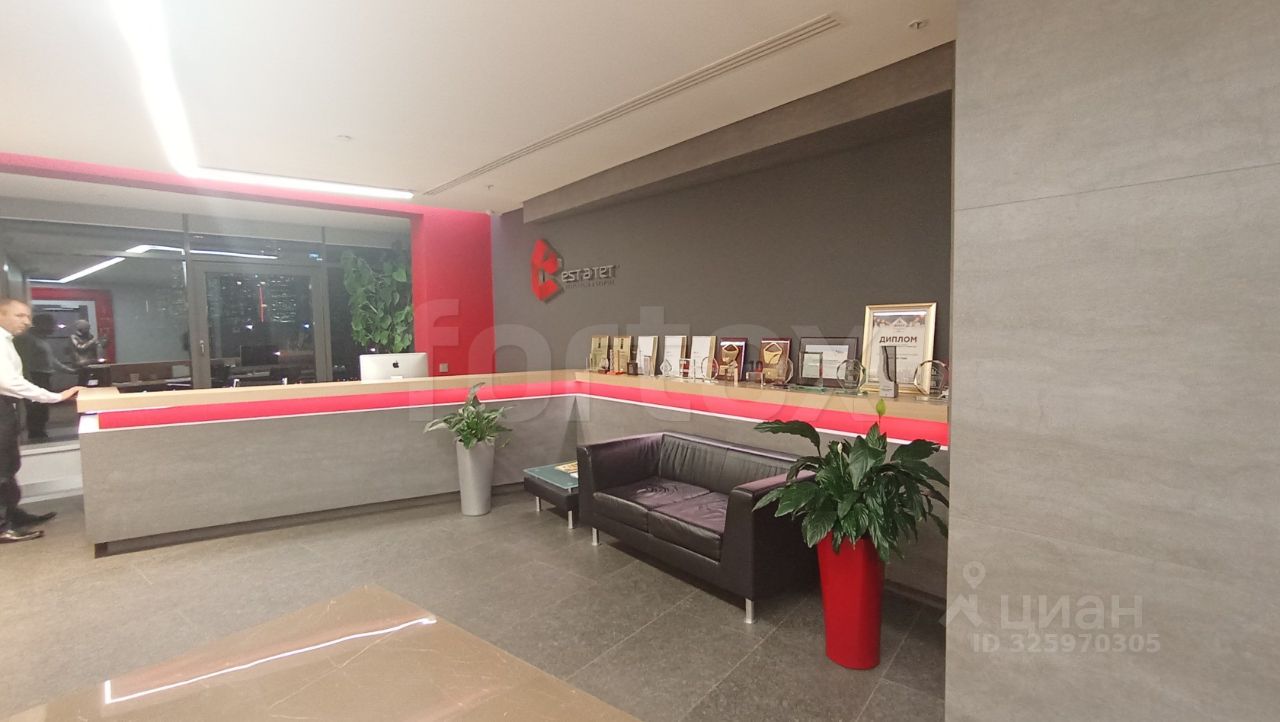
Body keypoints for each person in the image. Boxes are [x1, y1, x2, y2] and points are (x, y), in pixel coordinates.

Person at [0, 299, 82, 543]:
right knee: (2, 468)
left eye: (28, 316)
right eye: (20, 315)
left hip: (6, 406)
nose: (27, 321)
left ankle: (13, 515)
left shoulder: (7, 340)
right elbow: (8, 381)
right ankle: (3, 526)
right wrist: (54, 397)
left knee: (9, 464)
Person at [14, 314, 76, 441]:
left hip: (43, 377)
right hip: (34, 377)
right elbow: (24, 363)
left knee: (43, 409)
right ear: (41, 324)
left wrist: (71, 371)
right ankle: (36, 436)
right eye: (51, 324)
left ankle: (40, 434)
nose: (53, 328)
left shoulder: (41, 339)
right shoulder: (27, 339)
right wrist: (28, 383)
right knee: (36, 409)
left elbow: (52, 360)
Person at [70, 318, 102, 387]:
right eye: (86, 328)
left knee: (94, 380)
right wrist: (92, 341)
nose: (88, 330)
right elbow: (80, 348)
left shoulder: (90, 336)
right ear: (80, 329)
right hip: (81, 363)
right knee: (82, 382)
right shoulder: (74, 337)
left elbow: (96, 346)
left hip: (92, 362)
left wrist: (101, 343)